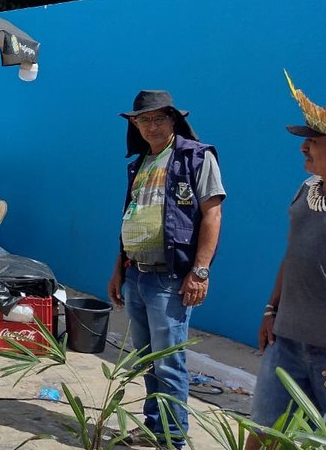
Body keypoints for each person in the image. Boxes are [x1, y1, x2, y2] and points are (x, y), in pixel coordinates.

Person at [106, 90, 225, 447]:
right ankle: (154, 428)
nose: (152, 126)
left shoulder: (195, 158)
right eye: (144, 120)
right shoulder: (140, 163)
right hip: (136, 274)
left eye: (159, 118)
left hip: (169, 278)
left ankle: (173, 438)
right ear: (135, 124)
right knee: (146, 360)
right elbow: (132, 217)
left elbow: (212, 213)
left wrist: (200, 271)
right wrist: (118, 270)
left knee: (169, 361)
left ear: (173, 120)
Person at [247, 86, 326, 450]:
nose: (304, 147)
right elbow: (293, 254)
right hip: (286, 342)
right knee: (263, 433)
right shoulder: (307, 190)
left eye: (314, 140)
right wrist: (271, 308)